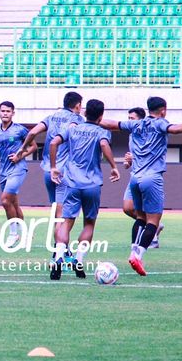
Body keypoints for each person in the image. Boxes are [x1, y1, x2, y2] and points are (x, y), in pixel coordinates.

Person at [100, 96, 182, 276]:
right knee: (153, 222)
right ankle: (138, 256)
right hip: (152, 178)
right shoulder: (161, 123)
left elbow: (111, 123)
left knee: (140, 217)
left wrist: (91, 119)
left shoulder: (136, 125)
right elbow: (176, 129)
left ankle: (134, 252)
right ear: (163, 110)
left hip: (135, 178)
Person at [49, 99, 119, 280]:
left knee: (66, 222)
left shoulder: (72, 128)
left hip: (71, 182)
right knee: (89, 223)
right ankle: (78, 260)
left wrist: (54, 166)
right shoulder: (102, 132)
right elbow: (104, 145)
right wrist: (113, 166)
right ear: (101, 116)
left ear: (85, 112)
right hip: (92, 184)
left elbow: (53, 143)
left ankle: (58, 257)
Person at [17, 91, 83, 240]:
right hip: (62, 172)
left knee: (56, 211)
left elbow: (33, 132)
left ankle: (59, 248)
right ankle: (59, 251)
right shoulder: (77, 119)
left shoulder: (51, 117)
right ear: (78, 105)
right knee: (62, 214)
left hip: (47, 170)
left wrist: (22, 148)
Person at [0, 101, 36, 247]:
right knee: (13, 203)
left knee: (5, 201)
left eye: (8, 111)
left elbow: (33, 147)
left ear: (13, 113)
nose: (5, 113)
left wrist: (19, 156)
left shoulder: (20, 130)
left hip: (18, 168)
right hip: (3, 169)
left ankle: (13, 234)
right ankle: (26, 233)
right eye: (3, 111)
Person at [121, 107, 163, 249]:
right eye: (128, 118)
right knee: (127, 208)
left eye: (132, 119)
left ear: (141, 120)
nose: (129, 121)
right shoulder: (132, 135)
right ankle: (154, 226)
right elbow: (129, 162)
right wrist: (128, 162)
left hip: (148, 176)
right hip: (135, 175)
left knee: (144, 214)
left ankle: (152, 234)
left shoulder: (150, 133)